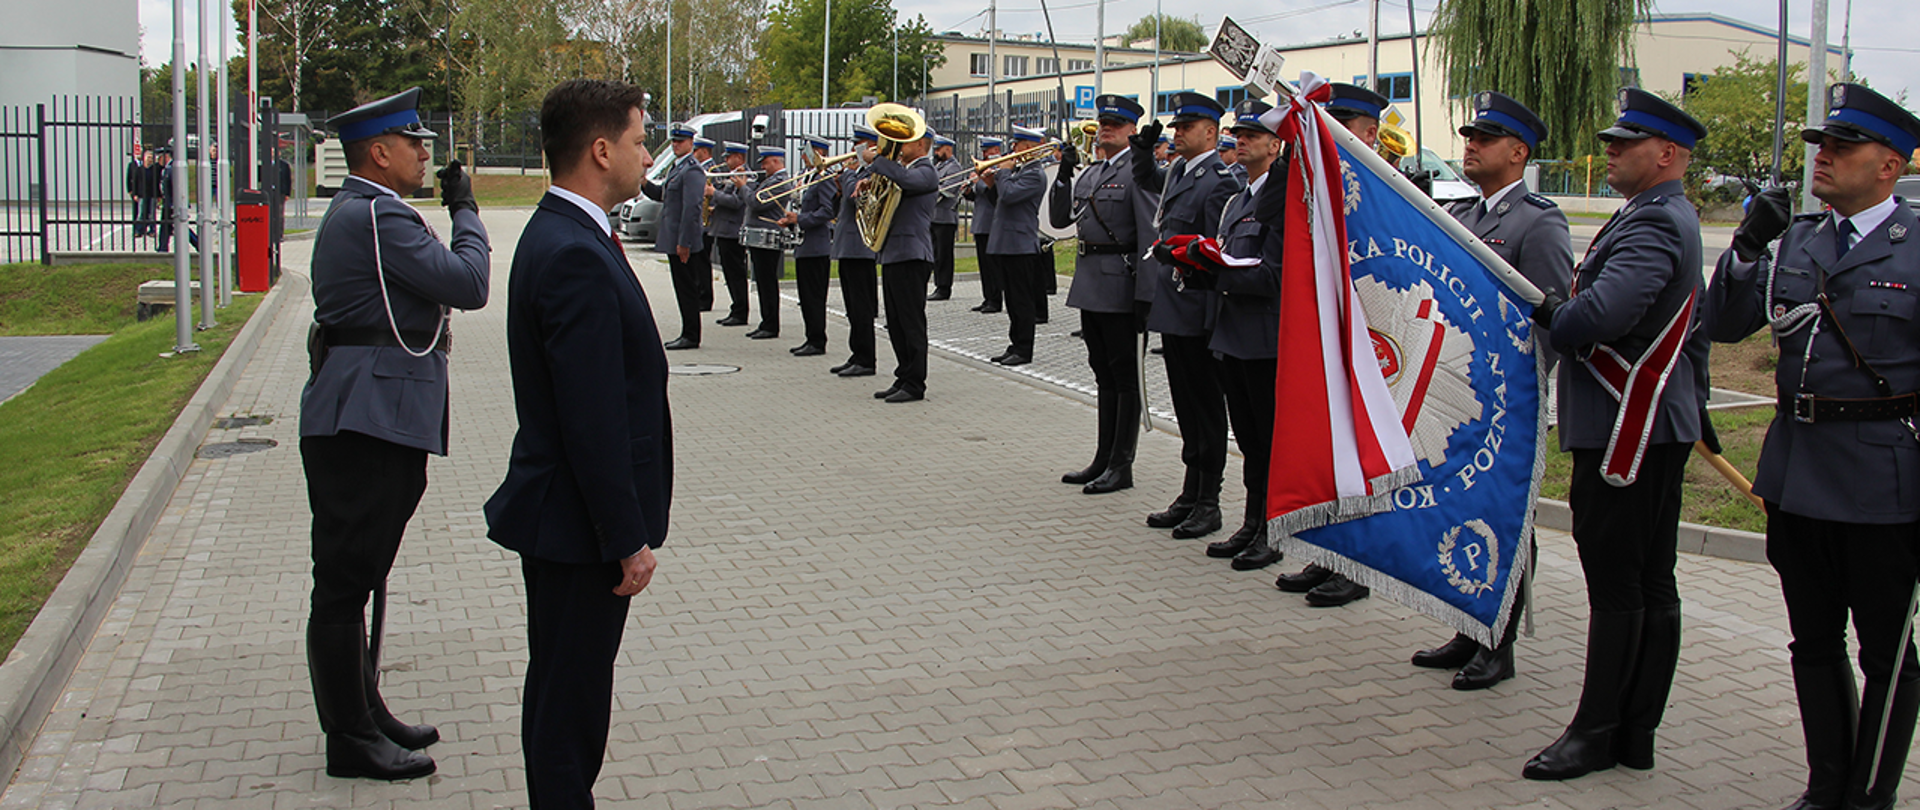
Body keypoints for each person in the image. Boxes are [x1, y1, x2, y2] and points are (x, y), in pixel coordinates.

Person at [1708, 82, 1920, 810]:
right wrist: (1745, 244)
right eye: (1819, 147)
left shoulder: (1917, 245)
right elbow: (1728, 324)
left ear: (1888, 164)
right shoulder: (1799, 236)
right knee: (1814, 641)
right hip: (1797, 471)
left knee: (1887, 655)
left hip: (1883, 478)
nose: (1822, 158)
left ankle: (1870, 796)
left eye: (1840, 147)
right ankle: (1826, 784)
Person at [485, 79, 665, 809]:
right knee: (570, 711)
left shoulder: (569, 232)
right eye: (639, 139)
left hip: (569, 518)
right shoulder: (573, 251)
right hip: (579, 527)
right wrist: (626, 539)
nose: (646, 153)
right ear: (600, 150)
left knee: (562, 693)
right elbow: (591, 418)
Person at [302, 87, 489, 780]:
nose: (423, 153)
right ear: (378, 153)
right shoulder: (378, 214)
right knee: (346, 581)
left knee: (361, 573)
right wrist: (466, 209)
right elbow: (469, 283)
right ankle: (349, 737)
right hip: (364, 418)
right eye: (413, 142)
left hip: (371, 412)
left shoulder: (371, 210)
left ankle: (364, 708)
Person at [1522, 87, 1708, 781]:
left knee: (1620, 585)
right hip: (1651, 424)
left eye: (1624, 143)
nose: (1609, 151)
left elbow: (1594, 318)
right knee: (1649, 581)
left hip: (1630, 428)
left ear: (1666, 154)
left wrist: (1553, 311)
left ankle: (1599, 729)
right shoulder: (1653, 214)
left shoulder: (1656, 224)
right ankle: (1633, 732)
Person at [1408, 91, 1572, 690]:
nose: (1469, 146)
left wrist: (1519, 391)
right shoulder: (1471, 217)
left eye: (1484, 138)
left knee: (1503, 516)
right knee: (1463, 508)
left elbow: (1552, 320)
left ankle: (1498, 644)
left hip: (1510, 404)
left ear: (1518, 151)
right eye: (1469, 137)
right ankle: (1467, 624)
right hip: (1462, 395)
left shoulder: (1539, 221)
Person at [1272, 83, 1394, 607]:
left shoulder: (1392, 191)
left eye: (1341, 124)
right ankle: (1330, 553)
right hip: (1330, 338)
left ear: (1369, 133)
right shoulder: (1321, 184)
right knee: (1329, 442)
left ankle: (1360, 564)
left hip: (1377, 343)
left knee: (1362, 451)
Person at [1133, 93, 1241, 542]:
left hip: (1196, 307)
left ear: (1211, 133)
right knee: (1185, 406)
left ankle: (1209, 500)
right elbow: (1148, 182)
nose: (1178, 134)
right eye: (1177, 128)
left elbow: (1217, 251)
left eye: (1187, 127)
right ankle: (1190, 491)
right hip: (1174, 305)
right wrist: (1143, 150)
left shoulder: (1217, 180)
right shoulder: (1181, 170)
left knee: (1205, 407)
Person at [1188, 99, 1285, 571]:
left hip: (1265, 338)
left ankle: (1273, 527)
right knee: (1247, 438)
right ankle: (1251, 522)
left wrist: (1217, 271)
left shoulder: (1280, 198)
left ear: (1275, 143)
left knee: (1268, 439)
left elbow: (1275, 276)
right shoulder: (1236, 200)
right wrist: (1198, 266)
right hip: (1231, 335)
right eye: (1238, 133)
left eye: (1253, 133)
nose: (1241, 140)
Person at [1053, 94, 1159, 495]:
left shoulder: (1139, 172)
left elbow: (1149, 235)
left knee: (1124, 376)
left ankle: (1121, 464)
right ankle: (1103, 457)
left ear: (1133, 130)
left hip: (1122, 285)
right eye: (1103, 122)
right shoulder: (1093, 172)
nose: (1106, 129)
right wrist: (1063, 174)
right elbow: (1062, 219)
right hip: (1091, 285)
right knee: (1103, 373)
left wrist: (1146, 295)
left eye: (1116, 123)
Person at [861, 123, 939, 403]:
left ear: (921, 145)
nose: (900, 148)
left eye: (906, 142)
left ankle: (915, 383)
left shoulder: (925, 171)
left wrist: (879, 161)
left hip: (912, 254)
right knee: (895, 322)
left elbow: (907, 183)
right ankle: (903, 375)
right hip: (894, 253)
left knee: (911, 322)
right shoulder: (904, 170)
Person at [985, 125, 1049, 366]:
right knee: (1012, 300)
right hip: (1007, 243)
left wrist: (1002, 174)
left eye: (1017, 144)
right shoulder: (1020, 171)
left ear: (1029, 148)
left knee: (1021, 301)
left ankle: (1024, 349)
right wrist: (992, 183)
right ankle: (1015, 344)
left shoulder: (1034, 174)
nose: (1012, 149)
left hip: (1020, 245)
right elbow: (1001, 201)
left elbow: (1010, 195)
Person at [639, 123, 707, 349]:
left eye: (680, 141)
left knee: (687, 288)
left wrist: (684, 242)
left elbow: (692, 208)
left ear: (691, 143)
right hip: (674, 238)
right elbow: (663, 196)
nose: (676, 145)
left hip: (682, 240)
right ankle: (687, 331)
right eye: (674, 141)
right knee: (681, 286)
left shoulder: (692, 169)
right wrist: (644, 183)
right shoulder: (676, 168)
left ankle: (691, 335)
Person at [829, 125, 882, 379]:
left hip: (860, 248)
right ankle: (856, 353)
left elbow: (855, 198)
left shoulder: (872, 171)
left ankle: (866, 358)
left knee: (861, 308)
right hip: (848, 247)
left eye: (859, 144)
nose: (853, 150)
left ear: (871, 147)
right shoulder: (859, 171)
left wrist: (848, 176)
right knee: (852, 307)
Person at [790, 134, 837, 357]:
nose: (802, 156)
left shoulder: (824, 177)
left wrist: (798, 219)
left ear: (816, 153)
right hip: (803, 243)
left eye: (806, 152)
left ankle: (817, 340)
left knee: (815, 296)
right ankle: (810, 337)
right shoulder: (806, 176)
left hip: (817, 245)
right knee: (805, 297)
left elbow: (828, 211)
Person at [742, 146, 790, 340]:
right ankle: (765, 322)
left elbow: (756, 202)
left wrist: (742, 186)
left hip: (767, 236)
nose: (762, 166)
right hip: (760, 237)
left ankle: (771, 325)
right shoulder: (770, 180)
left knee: (767, 282)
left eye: (765, 162)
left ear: (776, 161)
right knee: (761, 282)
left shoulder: (780, 182)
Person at [709, 142, 753, 328]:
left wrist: (714, 193)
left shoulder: (745, 176)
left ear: (739, 158)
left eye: (729, 157)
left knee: (736, 273)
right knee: (729, 273)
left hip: (733, 231)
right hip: (724, 230)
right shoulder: (732, 175)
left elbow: (736, 202)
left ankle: (741, 312)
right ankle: (735, 308)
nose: (726, 161)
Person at [965, 136, 1006, 313]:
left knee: (992, 265)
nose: (984, 154)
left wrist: (977, 181)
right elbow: (976, 195)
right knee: (983, 265)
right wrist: (968, 189)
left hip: (991, 223)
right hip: (980, 222)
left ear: (996, 151)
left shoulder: (999, 168)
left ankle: (995, 300)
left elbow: (990, 189)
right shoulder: (985, 170)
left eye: (987, 151)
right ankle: (987, 297)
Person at [930, 135, 964, 301]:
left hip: (945, 217)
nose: (936, 152)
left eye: (939, 149)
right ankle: (937, 284)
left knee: (944, 255)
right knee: (935, 254)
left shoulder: (954, 167)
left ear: (948, 149)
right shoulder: (937, 166)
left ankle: (944, 287)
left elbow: (948, 190)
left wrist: (929, 189)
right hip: (934, 216)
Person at [154, 147, 176, 252]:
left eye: (160, 158)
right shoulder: (167, 168)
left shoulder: (171, 169)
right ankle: (162, 247)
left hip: (171, 204)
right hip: (168, 203)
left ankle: (198, 244)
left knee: (172, 226)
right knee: (166, 227)